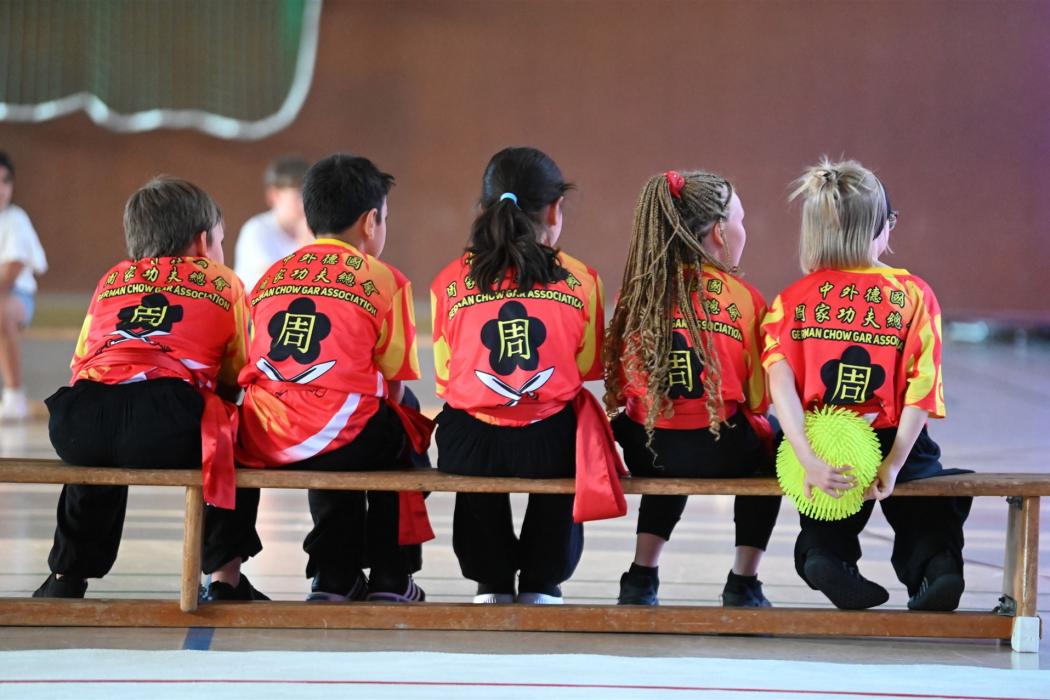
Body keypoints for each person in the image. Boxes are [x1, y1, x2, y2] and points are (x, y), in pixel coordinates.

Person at [204, 153, 433, 602]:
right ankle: (391, 575)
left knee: (340, 415)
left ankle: (333, 576)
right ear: (370, 222)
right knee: (400, 419)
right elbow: (394, 384)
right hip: (334, 431)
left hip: (263, 434)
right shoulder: (386, 280)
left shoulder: (269, 276)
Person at [763, 158, 971, 611]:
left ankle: (824, 556)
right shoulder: (913, 294)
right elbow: (921, 387)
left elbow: (780, 386)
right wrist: (893, 464)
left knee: (826, 504)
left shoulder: (791, 301)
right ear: (880, 226)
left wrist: (806, 456)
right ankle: (938, 567)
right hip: (894, 433)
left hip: (822, 438)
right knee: (926, 499)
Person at [34, 177, 248, 598]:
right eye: (221, 240)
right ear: (203, 242)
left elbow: (81, 364)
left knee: (97, 453)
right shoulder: (223, 281)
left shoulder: (113, 279)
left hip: (78, 418)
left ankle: (66, 576)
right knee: (237, 433)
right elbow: (236, 375)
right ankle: (225, 578)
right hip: (164, 417)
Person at [431, 146, 624, 605]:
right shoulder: (583, 279)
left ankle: (490, 581)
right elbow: (584, 368)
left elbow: (445, 377)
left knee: (463, 421)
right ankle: (543, 580)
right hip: (549, 446)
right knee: (568, 425)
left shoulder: (448, 281)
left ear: (484, 209)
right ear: (555, 209)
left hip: (472, 448)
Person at [604, 170, 781, 607]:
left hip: (649, 453)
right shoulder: (745, 298)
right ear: (720, 231)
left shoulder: (636, 295)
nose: (744, 229)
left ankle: (641, 576)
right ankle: (743, 582)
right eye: (740, 220)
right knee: (774, 443)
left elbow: (625, 387)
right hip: (723, 452)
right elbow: (758, 399)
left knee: (659, 426)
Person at [0, 151, 48, 421]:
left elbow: (9, 274)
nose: (1, 189)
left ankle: (14, 395)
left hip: (17, 297)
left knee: (2, 311)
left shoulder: (15, 219)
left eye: (5, 181)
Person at [234, 156, 312, 290]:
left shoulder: (314, 231)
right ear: (274, 196)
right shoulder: (256, 229)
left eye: (309, 195)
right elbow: (273, 283)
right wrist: (305, 246)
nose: (306, 203)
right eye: (298, 195)